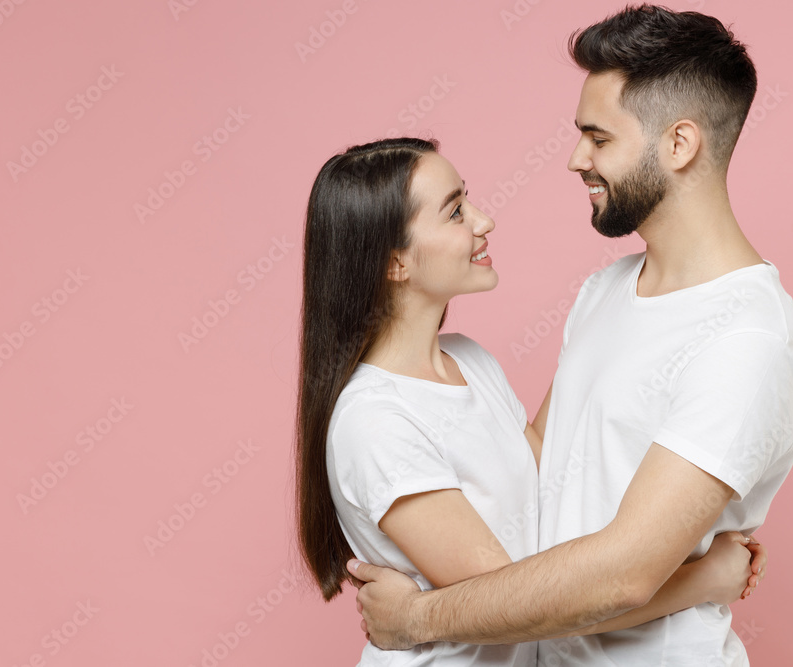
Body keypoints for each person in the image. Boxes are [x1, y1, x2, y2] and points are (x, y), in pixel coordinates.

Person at [348, 6, 793, 667]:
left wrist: (419, 616)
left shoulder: (747, 338)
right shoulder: (608, 290)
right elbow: (529, 469)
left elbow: (624, 572)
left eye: (599, 138)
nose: (575, 159)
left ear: (679, 145)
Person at [295, 136, 765, 666]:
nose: (483, 220)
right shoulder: (376, 421)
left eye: (467, 199)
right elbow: (517, 605)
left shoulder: (469, 361)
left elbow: (554, 470)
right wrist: (703, 577)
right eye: (454, 212)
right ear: (394, 262)